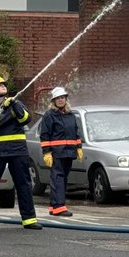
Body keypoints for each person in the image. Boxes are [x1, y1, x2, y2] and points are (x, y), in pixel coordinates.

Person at [0, 75, 39, 229]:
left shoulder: (15, 104)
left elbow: (26, 118)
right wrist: (8, 112)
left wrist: (15, 106)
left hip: (17, 150)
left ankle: (29, 219)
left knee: (23, 183)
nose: (3, 86)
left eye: (4, 84)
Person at [39, 85, 81, 218]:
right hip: (56, 153)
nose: (61, 100)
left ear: (66, 99)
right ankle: (59, 207)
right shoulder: (49, 115)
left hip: (69, 153)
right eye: (58, 98)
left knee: (62, 179)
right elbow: (44, 135)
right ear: (53, 101)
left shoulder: (71, 115)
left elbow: (76, 132)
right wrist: (46, 152)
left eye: (62, 97)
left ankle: (54, 205)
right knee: (58, 179)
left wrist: (79, 148)